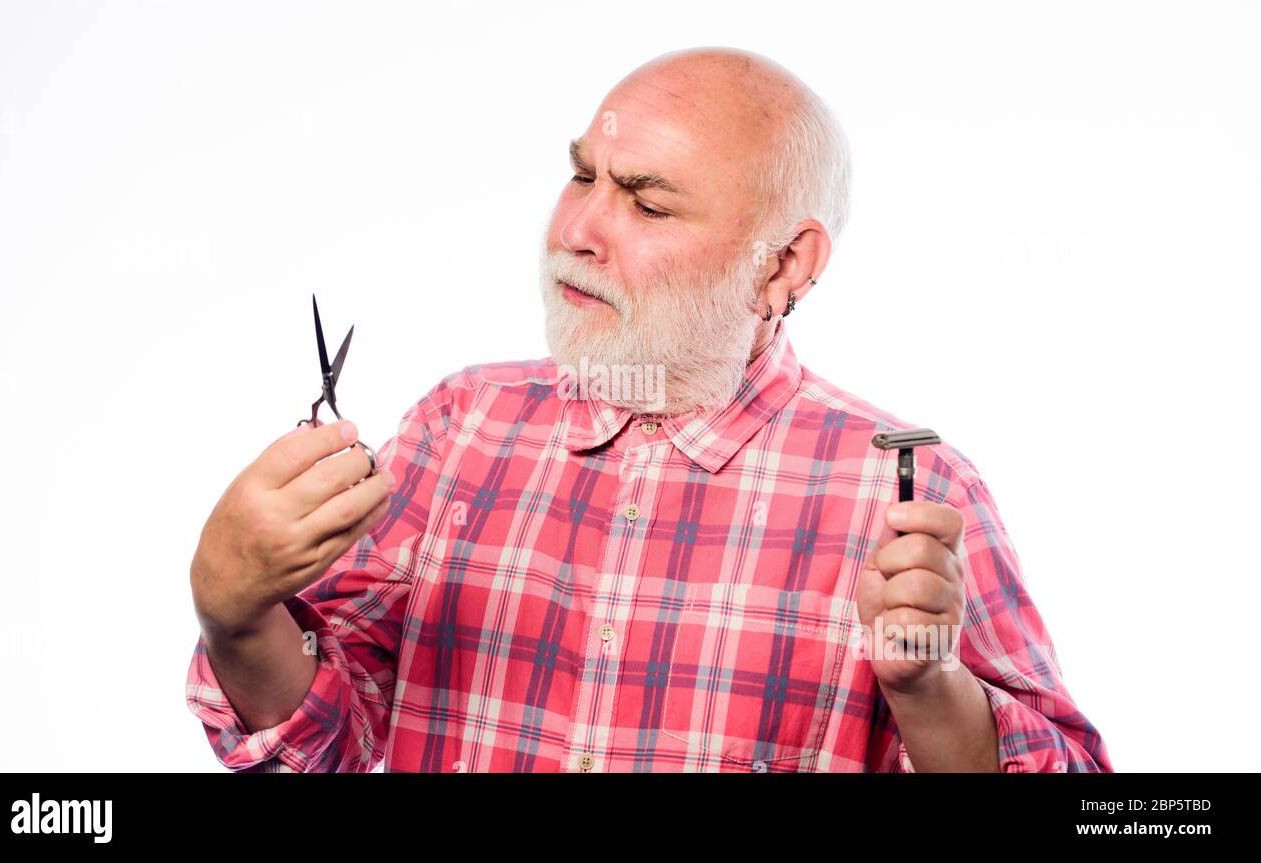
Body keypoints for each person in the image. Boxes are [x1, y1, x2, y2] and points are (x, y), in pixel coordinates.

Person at [186, 46, 1112, 772]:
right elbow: (324, 745)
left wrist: (931, 690)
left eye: (648, 204)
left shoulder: (908, 491)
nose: (577, 232)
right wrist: (239, 616)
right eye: (585, 176)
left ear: (784, 265)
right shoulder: (459, 426)